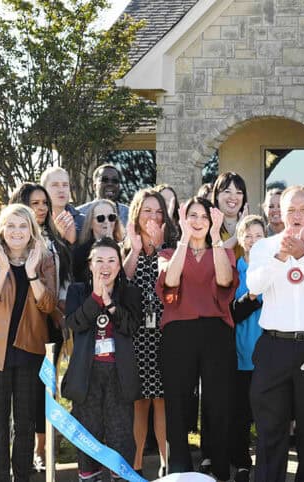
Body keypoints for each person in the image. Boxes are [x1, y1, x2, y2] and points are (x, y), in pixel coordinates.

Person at [245, 186, 304, 482]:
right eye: (290, 210)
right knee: (270, 428)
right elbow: (255, 286)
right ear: (278, 214)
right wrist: (280, 257)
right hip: (275, 346)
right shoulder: (264, 247)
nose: (296, 216)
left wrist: (301, 257)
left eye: (303, 209)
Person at [157, 197, 238, 480]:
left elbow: (226, 282)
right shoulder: (168, 253)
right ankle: (179, 470)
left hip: (216, 330)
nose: (198, 220)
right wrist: (183, 238)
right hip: (179, 332)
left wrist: (216, 237)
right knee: (177, 403)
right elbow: (171, 283)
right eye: (192, 215)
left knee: (217, 402)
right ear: (183, 219)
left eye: (204, 216)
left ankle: (217, 469)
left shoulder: (224, 252)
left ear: (213, 219)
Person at [0, 203, 57, 482]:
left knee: (25, 423)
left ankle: (22, 477)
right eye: (10, 225)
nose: (16, 231)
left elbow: (48, 305)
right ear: (1, 228)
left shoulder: (45, 259)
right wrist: (2, 268)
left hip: (30, 350)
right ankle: (1, 477)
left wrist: (32, 272)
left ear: (32, 230)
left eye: (23, 225)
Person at [62, 237, 141, 481]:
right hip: (87, 374)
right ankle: (89, 475)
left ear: (119, 265)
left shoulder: (129, 291)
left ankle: (120, 475)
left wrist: (110, 303)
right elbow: (74, 323)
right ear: (90, 264)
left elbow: (132, 327)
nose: (105, 266)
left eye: (111, 260)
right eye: (99, 261)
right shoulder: (77, 291)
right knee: (89, 432)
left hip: (119, 373)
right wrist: (96, 298)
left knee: (121, 434)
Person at [9, 183, 72, 471]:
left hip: (52, 322)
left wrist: (60, 311)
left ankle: (45, 449)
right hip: (23, 326)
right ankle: (28, 452)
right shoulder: (15, 241)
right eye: (35, 203)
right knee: (24, 391)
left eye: (44, 202)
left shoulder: (55, 241)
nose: (43, 208)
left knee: (47, 388)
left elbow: (65, 280)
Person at [122, 188, 177, 477]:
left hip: (164, 334)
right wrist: (136, 248)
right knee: (139, 401)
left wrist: (159, 250)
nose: (153, 216)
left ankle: (167, 464)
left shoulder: (171, 248)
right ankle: (137, 462)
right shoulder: (125, 247)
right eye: (147, 211)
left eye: (158, 211)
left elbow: (170, 283)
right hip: (135, 336)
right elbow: (122, 281)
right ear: (137, 214)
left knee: (163, 401)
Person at [229, 215, 267, 482]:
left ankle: (267, 464)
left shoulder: (274, 268)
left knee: (267, 418)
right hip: (240, 355)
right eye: (248, 236)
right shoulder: (233, 271)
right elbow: (230, 314)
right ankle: (242, 464)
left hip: (268, 357)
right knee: (240, 416)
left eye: (259, 236)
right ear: (241, 240)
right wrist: (252, 297)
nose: (253, 241)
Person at [73, 200, 125, 283]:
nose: (107, 222)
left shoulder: (124, 248)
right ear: (90, 223)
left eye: (111, 217)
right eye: (100, 218)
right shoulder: (81, 253)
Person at [41, 166, 85, 243]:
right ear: (43, 189)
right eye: (55, 185)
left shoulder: (83, 221)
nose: (61, 190)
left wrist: (72, 241)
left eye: (65, 185)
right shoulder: (36, 221)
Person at [211, 172, 249, 259]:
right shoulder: (207, 224)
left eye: (239, 192)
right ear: (217, 195)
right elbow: (213, 258)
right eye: (227, 191)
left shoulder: (252, 225)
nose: (233, 197)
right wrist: (236, 236)